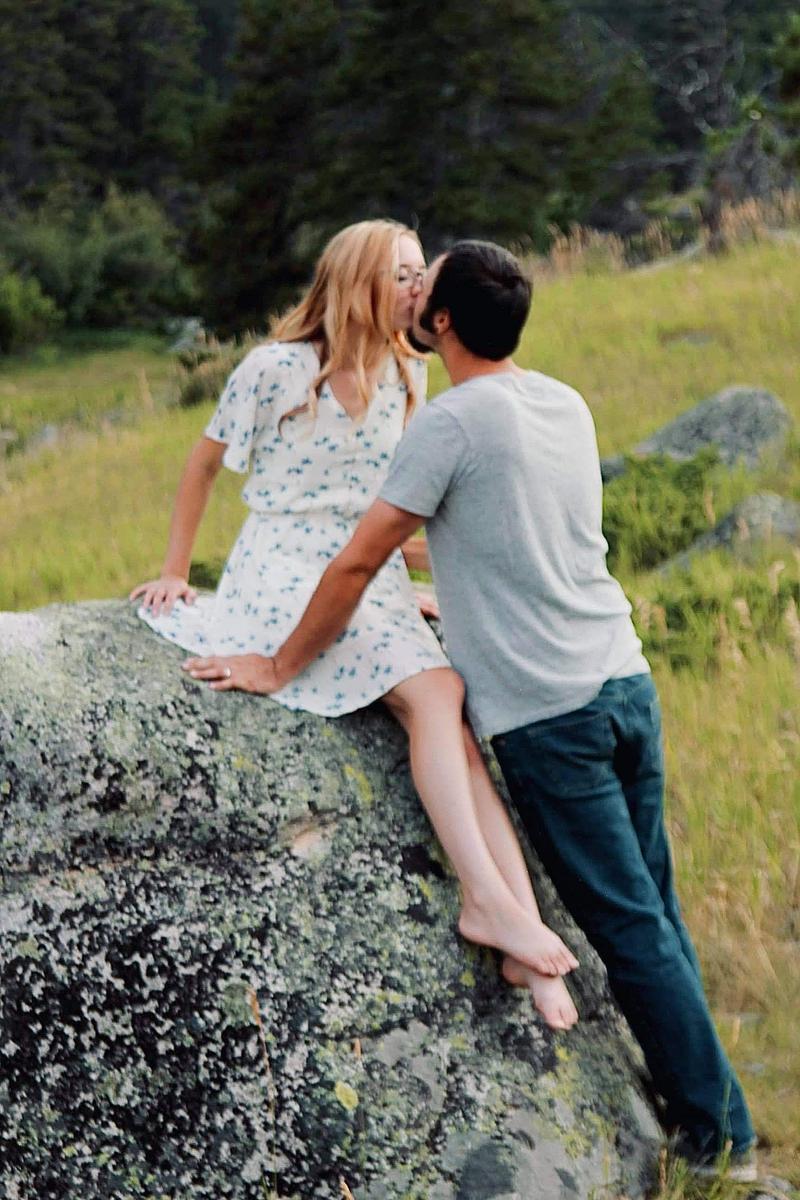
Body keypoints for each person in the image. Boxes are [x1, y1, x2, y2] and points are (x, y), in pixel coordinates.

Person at [191, 238, 758, 1180]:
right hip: (624, 680)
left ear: (442, 322)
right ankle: (710, 1108)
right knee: (656, 911)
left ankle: (719, 1139)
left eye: (426, 282)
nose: (412, 288)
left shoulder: (449, 423)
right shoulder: (562, 401)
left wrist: (281, 663)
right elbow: (499, 528)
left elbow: (358, 559)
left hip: (550, 715)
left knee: (628, 929)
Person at [130, 219, 579, 1031]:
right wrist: (174, 570)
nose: (420, 288)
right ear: (357, 281)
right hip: (283, 562)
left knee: (454, 717)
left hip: (363, 570)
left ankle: (517, 922)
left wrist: (424, 583)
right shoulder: (276, 368)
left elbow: (390, 516)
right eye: (403, 274)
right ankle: (489, 903)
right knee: (436, 693)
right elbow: (202, 465)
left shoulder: (410, 374)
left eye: (421, 273)